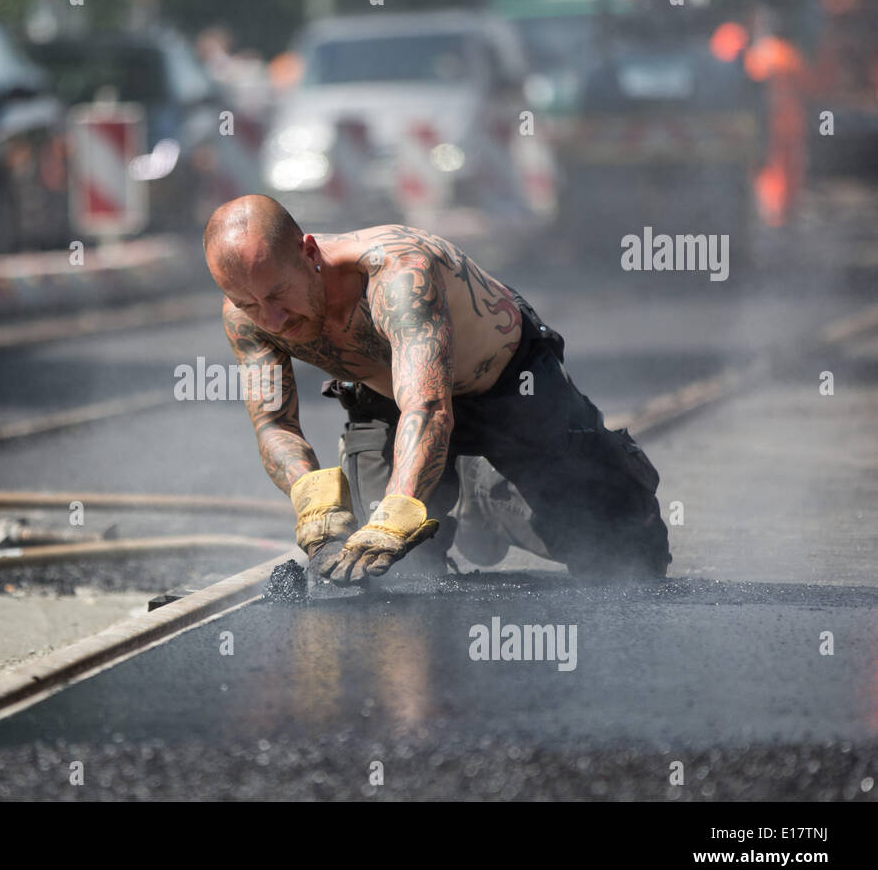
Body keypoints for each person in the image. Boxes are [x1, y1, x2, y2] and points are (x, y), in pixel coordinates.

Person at [204, 194, 670, 586]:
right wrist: (312, 500)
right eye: (249, 303)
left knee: (626, 560)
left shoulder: (397, 272)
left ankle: (482, 496)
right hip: (387, 404)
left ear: (309, 253)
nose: (272, 319)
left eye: (279, 294)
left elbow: (428, 407)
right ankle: (452, 496)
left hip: (507, 390)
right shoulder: (247, 318)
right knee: (377, 572)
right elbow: (273, 422)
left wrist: (397, 514)